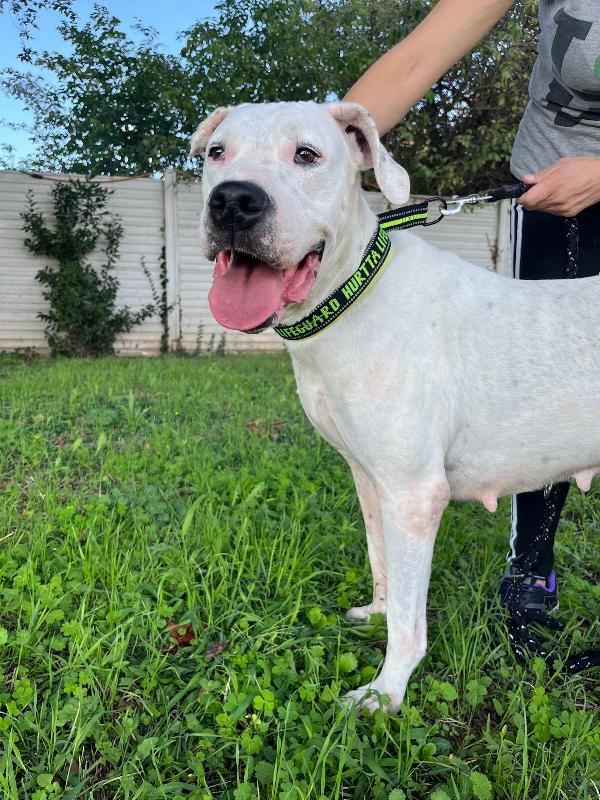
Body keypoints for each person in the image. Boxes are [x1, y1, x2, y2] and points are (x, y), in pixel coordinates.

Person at [344, 0, 600, 617]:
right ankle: (531, 571)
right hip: (556, 179)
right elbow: (414, 60)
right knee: (549, 387)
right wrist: (317, 149)